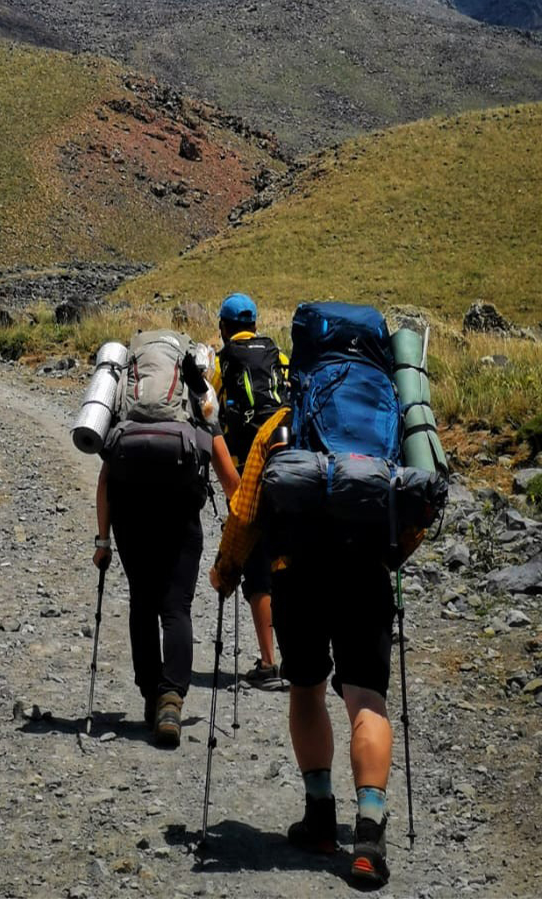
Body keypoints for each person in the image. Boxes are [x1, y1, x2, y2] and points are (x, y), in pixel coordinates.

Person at [210, 308, 421, 890]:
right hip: (366, 572)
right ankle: (370, 837)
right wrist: (389, 557)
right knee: (367, 697)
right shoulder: (391, 422)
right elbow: (416, 504)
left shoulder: (283, 421)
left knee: (305, 688)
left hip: (296, 573)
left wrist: (226, 572)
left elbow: (246, 511)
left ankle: (320, 816)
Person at [92, 331, 240, 748]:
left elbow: (104, 478)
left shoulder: (123, 392)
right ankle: (172, 701)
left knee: (143, 601)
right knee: (176, 606)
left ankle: (150, 695)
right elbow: (227, 476)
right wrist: (245, 525)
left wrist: (102, 541)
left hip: (130, 512)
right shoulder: (196, 392)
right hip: (180, 513)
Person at [210, 291, 288, 688]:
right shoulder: (280, 357)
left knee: (257, 567)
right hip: (287, 469)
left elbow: (211, 415)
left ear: (224, 328)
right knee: (286, 561)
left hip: (246, 475)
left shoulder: (223, 364)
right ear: (255, 324)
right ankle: (295, 656)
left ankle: (268, 661)